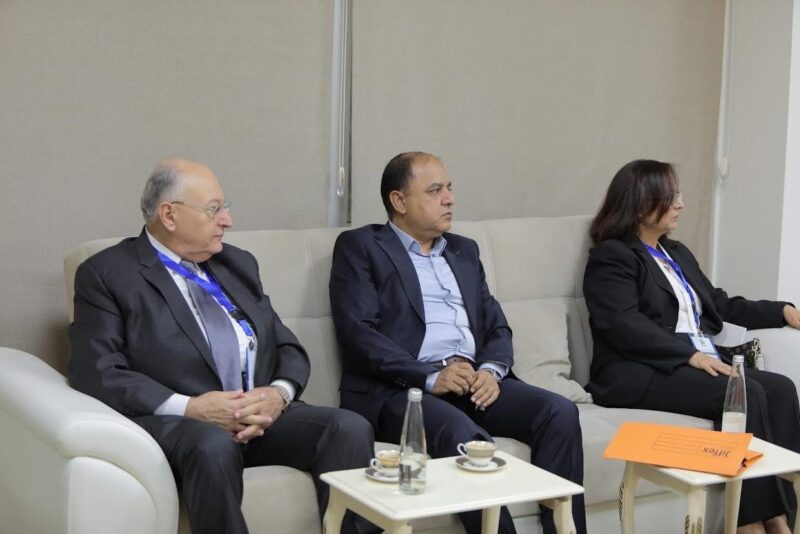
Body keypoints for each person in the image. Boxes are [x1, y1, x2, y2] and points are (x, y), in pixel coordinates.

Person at [68, 158, 376, 534]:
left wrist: (277, 395)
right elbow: (96, 370)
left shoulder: (236, 264)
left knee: (348, 428)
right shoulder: (107, 274)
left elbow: (287, 346)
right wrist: (193, 407)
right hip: (183, 424)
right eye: (214, 209)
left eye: (225, 207)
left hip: (258, 419)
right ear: (169, 215)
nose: (227, 220)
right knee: (213, 444)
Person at [329, 151, 586, 534]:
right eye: (435, 191)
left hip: (472, 381)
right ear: (399, 201)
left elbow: (497, 326)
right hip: (402, 390)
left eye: (449, 188)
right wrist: (431, 376)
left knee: (559, 412)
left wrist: (491, 371)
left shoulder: (464, 250)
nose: (450, 199)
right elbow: (359, 333)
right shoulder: (362, 246)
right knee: (461, 435)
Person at [583, 159, 800, 534]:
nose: (680, 204)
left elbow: (719, 303)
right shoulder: (613, 256)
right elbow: (621, 323)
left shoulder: (676, 253)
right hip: (640, 370)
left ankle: (780, 518)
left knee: (780, 388)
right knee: (744, 392)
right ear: (640, 204)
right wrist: (690, 355)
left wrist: (780, 311)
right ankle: (749, 524)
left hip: (695, 362)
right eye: (670, 197)